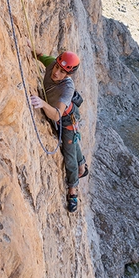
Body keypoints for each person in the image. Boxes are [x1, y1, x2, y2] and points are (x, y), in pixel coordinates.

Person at [30, 50, 88, 213]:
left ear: (68, 74)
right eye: (56, 66)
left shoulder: (67, 86)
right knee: (74, 143)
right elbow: (40, 54)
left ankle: (73, 191)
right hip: (62, 113)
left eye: (62, 71)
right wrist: (27, 44)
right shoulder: (52, 64)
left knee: (69, 154)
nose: (56, 72)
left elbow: (56, 115)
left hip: (67, 118)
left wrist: (42, 103)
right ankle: (82, 164)